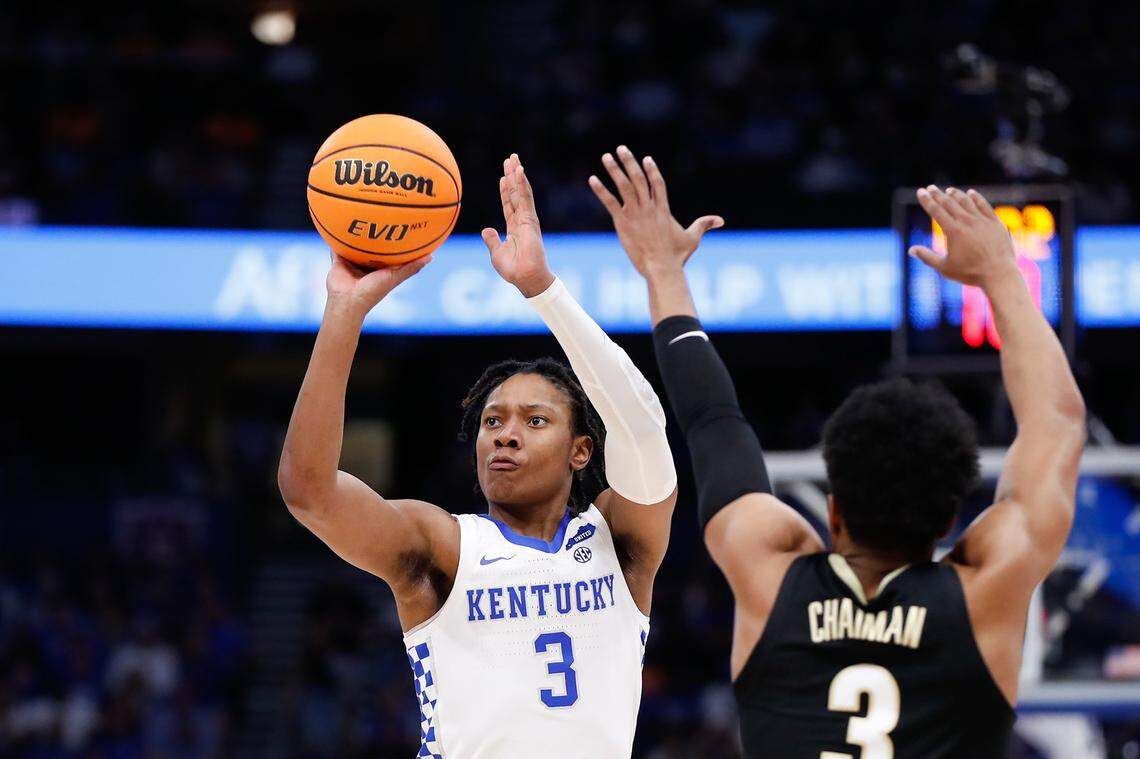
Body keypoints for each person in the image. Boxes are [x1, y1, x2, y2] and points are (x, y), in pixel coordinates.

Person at [589, 146, 1086, 758]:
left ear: (832, 510)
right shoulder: (987, 590)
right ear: (952, 522)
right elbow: (1056, 423)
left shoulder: (769, 570)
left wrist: (663, 271)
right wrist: (1003, 276)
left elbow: (713, 421)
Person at [278, 154, 677, 758]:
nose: (504, 434)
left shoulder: (620, 543)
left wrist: (544, 292)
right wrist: (345, 311)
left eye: (534, 420)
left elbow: (644, 429)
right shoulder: (442, 547)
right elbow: (309, 490)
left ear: (581, 451)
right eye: (492, 421)